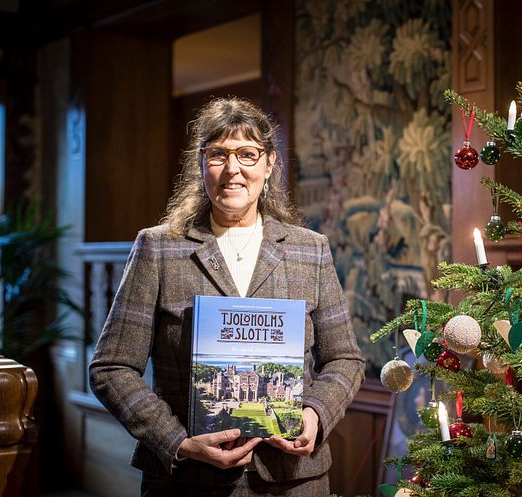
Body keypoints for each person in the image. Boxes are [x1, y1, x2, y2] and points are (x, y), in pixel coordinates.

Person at [89, 97, 365, 496]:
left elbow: (345, 359)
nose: (233, 169)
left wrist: (316, 413)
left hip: (292, 479)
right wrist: (178, 442)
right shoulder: (159, 248)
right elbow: (111, 368)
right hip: (186, 481)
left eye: (248, 154)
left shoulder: (311, 249)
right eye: (218, 154)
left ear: (269, 164)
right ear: (200, 163)